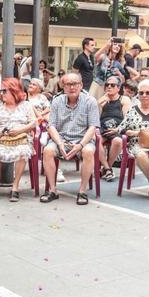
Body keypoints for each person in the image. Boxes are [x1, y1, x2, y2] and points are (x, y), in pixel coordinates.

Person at [40, 71, 100, 206]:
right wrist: (59, 143)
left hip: (83, 139)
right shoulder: (57, 101)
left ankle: (82, 191)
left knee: (88, 151)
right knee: (48, 150)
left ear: (81, 85)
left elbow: (93, 127)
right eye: (68, 84)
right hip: (61, 139)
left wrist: (81, 145)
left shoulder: (90, 101)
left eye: (75, 84)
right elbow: (51, 126)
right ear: (63, 86)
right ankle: (52, 190)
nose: (72, 87)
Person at [0, 78, 36, 202]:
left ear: (14, 91)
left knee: (23, 151)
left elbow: (34, 123)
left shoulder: (25, 105)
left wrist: (20, 130)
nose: (1, 93)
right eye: (1, 91)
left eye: (4, 91)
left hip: (21, 138)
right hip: (2, 139)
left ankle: (15, 187)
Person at [97, 75, 132, 181]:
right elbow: (95, 118)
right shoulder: (102, 100)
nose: (109, 87)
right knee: (95, 140)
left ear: (118, 88)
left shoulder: (124, 100)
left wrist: (117, 129)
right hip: (103, 128)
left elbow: (127, 119)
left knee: (117, 141)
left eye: (112, 85)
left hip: (118, 128)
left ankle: (107, 167)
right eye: (107, 85)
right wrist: (99, 105)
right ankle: (107, 168)